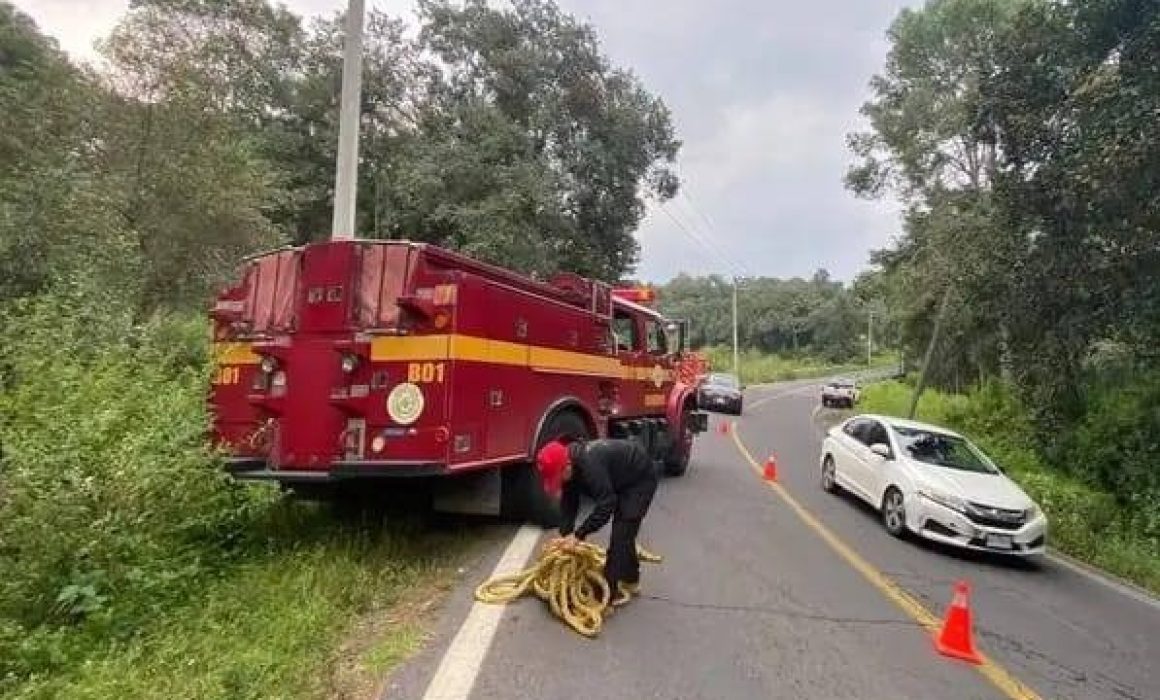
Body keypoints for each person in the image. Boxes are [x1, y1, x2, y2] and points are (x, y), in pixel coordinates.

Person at [535, 437, 659, 607]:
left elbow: (606, 506)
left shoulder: (590, 467)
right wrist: (566, 535)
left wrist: (579, 535)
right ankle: (631, 579)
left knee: (621, 535)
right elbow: (569, 502)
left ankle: (608, 594)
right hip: (618, 476)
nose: (559, 482)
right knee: (624, 536)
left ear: (568, 465)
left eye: (558, 477)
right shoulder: (569, 464)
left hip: (639, 480)